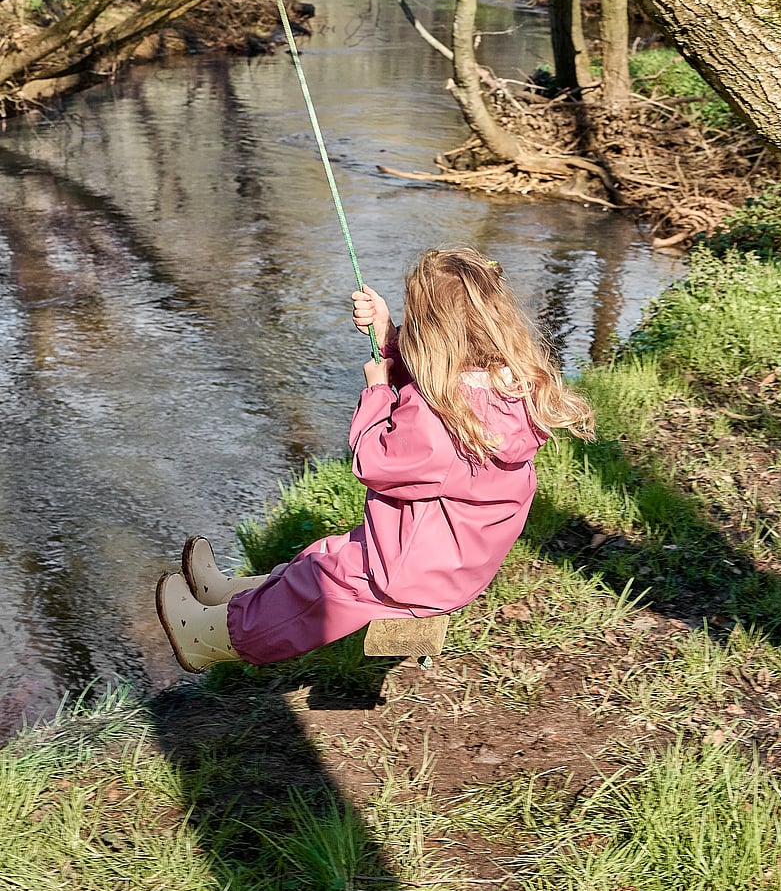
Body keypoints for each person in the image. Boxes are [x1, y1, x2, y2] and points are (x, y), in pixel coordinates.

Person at [155, 247, 594, 672]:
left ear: (432, 333)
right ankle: (225, 594)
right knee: (325, 554)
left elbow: (374, 462)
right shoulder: (510, 387)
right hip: (451, 559)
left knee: (318, 588)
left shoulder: (439, 421)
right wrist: (388, 339)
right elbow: (440, 381)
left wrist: (378, 390)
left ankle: (209, 637)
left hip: (416, 572)